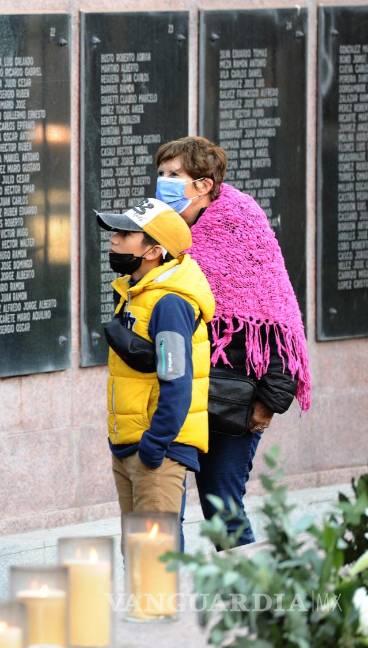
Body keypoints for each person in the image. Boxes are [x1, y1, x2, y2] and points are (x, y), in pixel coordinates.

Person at [153, 136, 310, 548]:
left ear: (203, 184)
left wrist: (270, 401)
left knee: (222, 506)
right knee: (162, 506)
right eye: (161, 173)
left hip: (233, 400)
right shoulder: (164, 233)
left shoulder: (242, 229)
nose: (163, 181)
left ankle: (254, 604)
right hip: (176, 395)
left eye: (174, 175)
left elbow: (278, 319)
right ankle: (173, 603)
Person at [97, 199, 216, 551]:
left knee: (153, 560)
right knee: (137, 555)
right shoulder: (138, 293)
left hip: (155, 451)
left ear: (154, 250)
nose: (114, 240)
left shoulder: (170, 303)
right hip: (130, 446)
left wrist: (154, 446)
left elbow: (177, 381)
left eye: (125, 233)